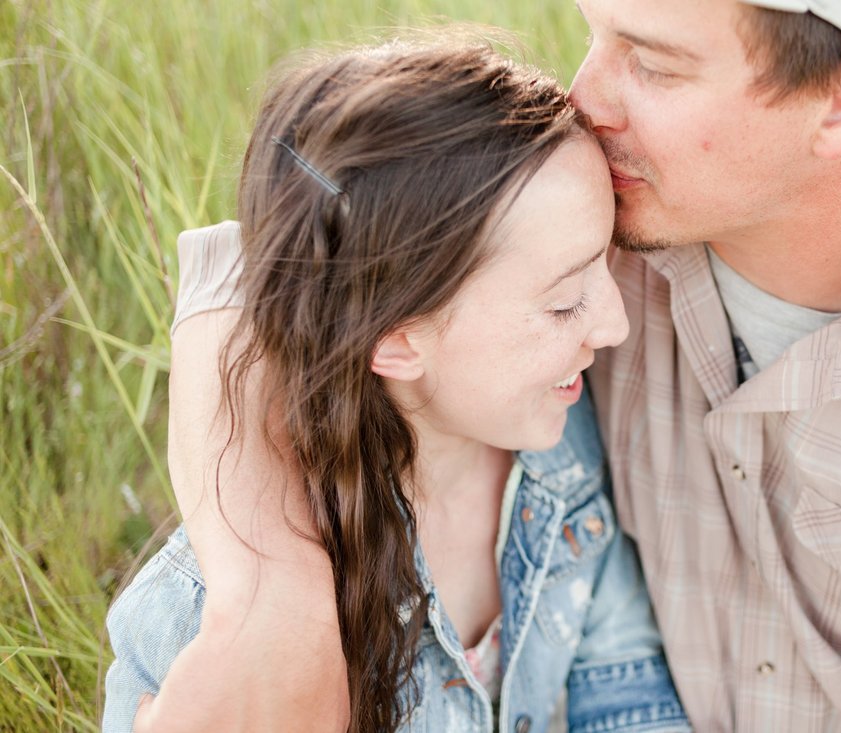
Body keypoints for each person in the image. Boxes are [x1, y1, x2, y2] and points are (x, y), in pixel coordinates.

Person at [145, 1, 841, 731]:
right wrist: (271, 592)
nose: (585, 95)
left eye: (652, 61)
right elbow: (287, 266)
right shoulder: (597, 216)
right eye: (596, 31)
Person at [102, 41, 691, 733]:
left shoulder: (560, 453)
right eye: (563, 302)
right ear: (396, 339)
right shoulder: (213, 624)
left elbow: (622, 686)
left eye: (605, 269)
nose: (614, 326)